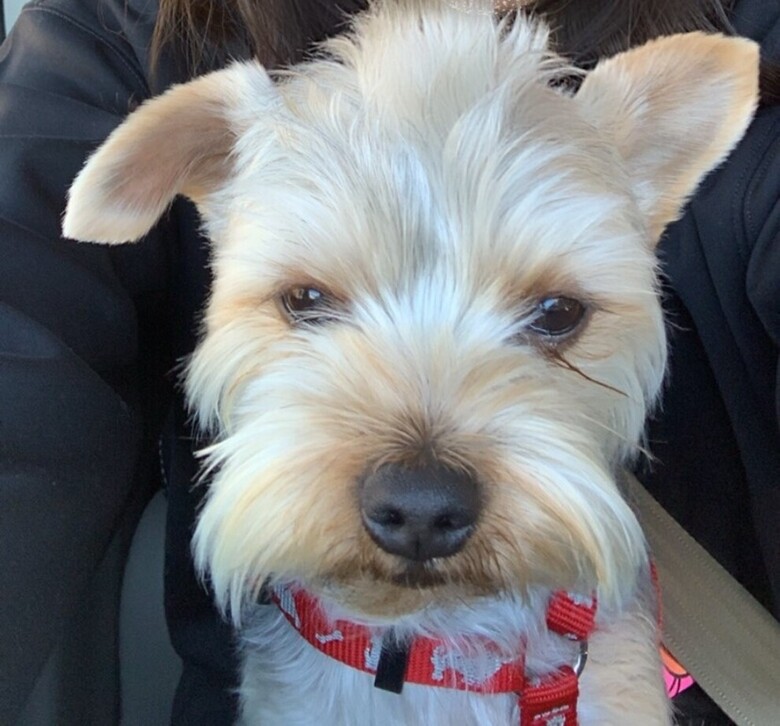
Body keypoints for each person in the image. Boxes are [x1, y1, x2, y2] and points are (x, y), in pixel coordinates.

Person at [0, 0, 776, 724]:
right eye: (308, 302)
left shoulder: (748, 36)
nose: (419, 493)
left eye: (551, 316)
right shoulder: (114, 39)